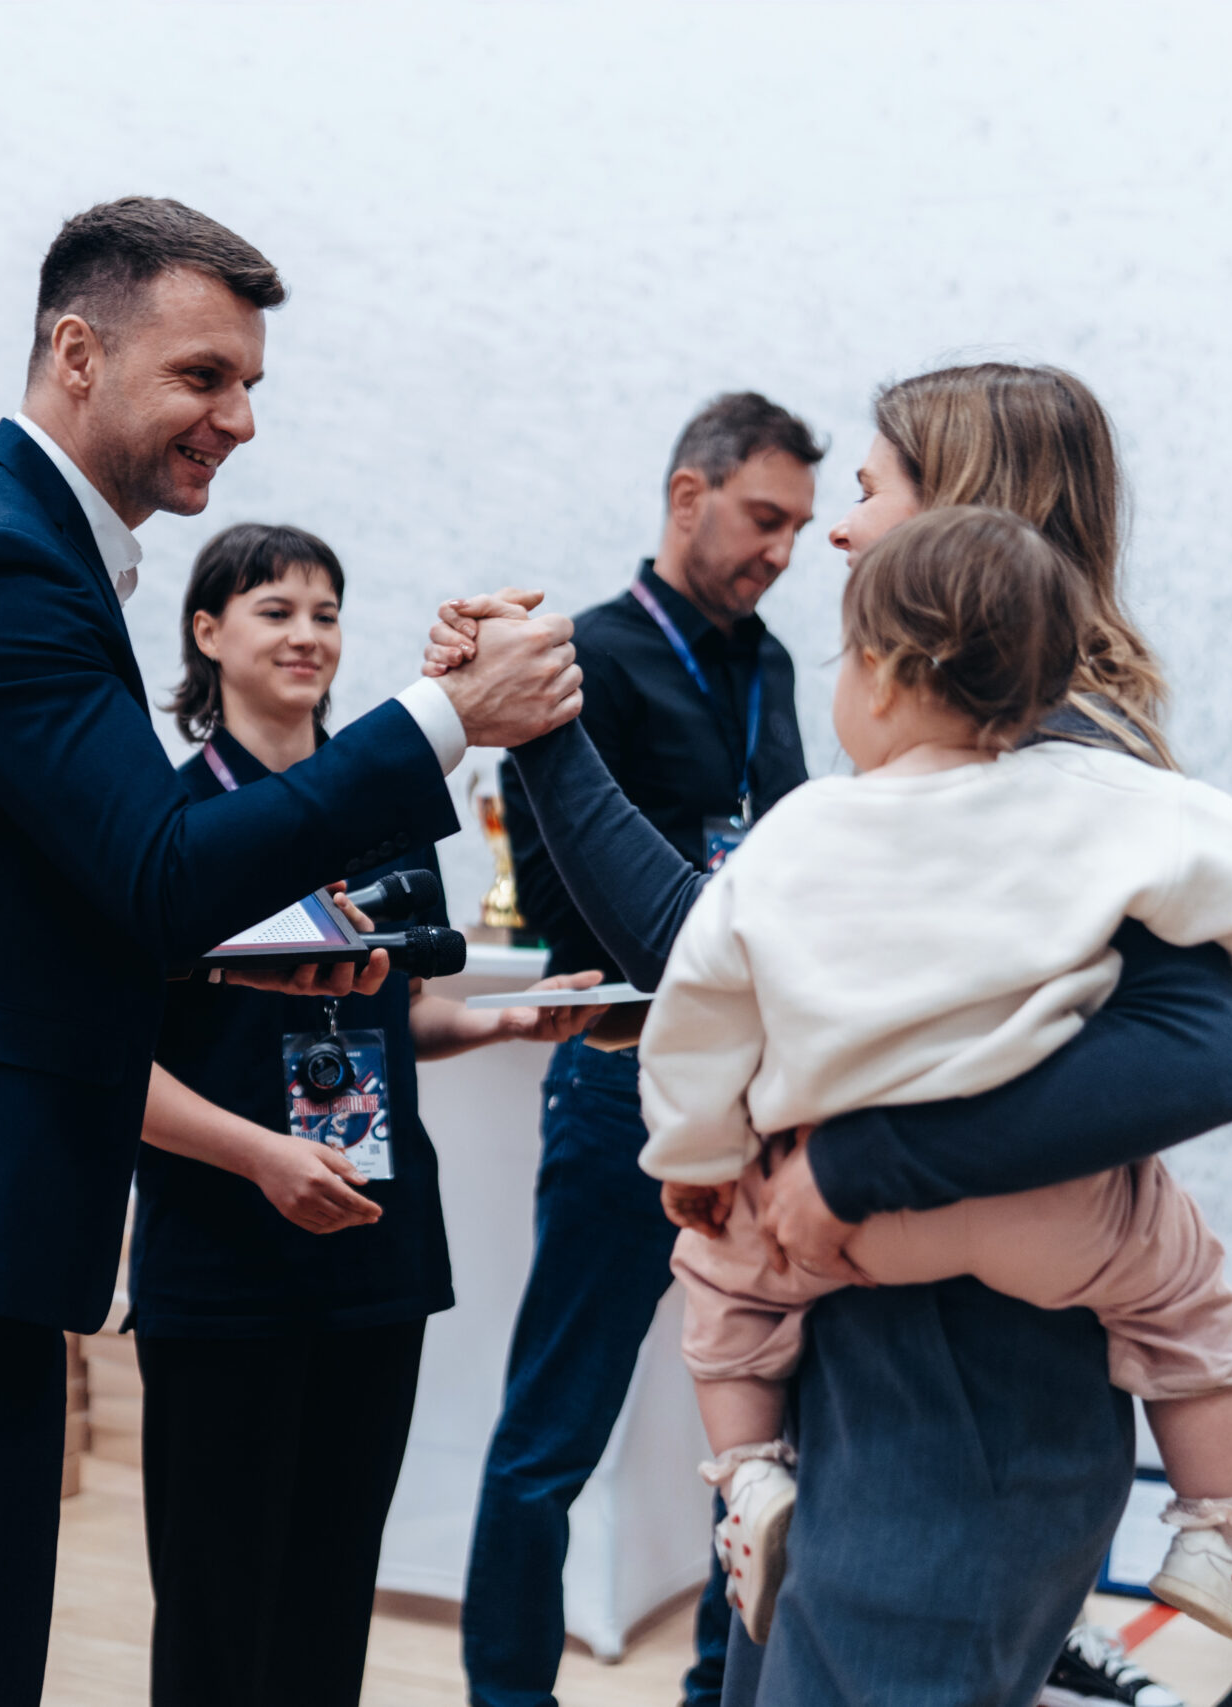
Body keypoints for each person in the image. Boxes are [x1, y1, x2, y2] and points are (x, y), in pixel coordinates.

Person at [0, 197, 582, 1707]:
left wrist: (234, 961)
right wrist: (447, 721)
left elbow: (72, 885)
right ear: (78, 353)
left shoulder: (30, 547)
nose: (238, 419)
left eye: (247, 383)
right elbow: (160, 868)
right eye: (202, 376)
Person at [429, 363, 1232, 1707]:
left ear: (965, 516)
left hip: (959, 1380)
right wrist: (546, 735)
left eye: (866, 493)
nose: (840, 533)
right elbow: (720, 948)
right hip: (896, 1354)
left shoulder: (1062, 765)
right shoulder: (975, 756)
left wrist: (859, 1165)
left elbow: (1193, 1057)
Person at [642, 506, 1232, 1653]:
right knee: (1186, 1297)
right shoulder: (1101, 807)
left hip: (823, 1226)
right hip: (1058, 1223)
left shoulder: (802, 830)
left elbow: (699, 1014)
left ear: (886, 676)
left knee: (720, 1282)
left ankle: (747, 1481)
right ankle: (1218, 1532)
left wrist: (696, 1162)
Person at [128, 522, 605, 1707]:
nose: (307, 635)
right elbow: (106, 1064)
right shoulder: (167, 827)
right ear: (206, 633)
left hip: (372, 1256)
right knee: (217, 1604)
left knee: (330, 1592)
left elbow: (397, 1016)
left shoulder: (385, 808)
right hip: (225, 1262)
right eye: (275, 610)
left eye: (326, 613)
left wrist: (502, 1023)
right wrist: (259, 1157)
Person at [463, 391, 820, 1707]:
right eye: (764, 516)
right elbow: (563, 895)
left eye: (800, 527)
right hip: (626, 1078)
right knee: (554, 1427)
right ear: (687, 496)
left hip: (764, 1093)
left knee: (764, 1439)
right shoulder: (588, 660)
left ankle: (725, 1685)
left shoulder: (772, 666)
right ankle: (510, 1694)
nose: (782, 549)